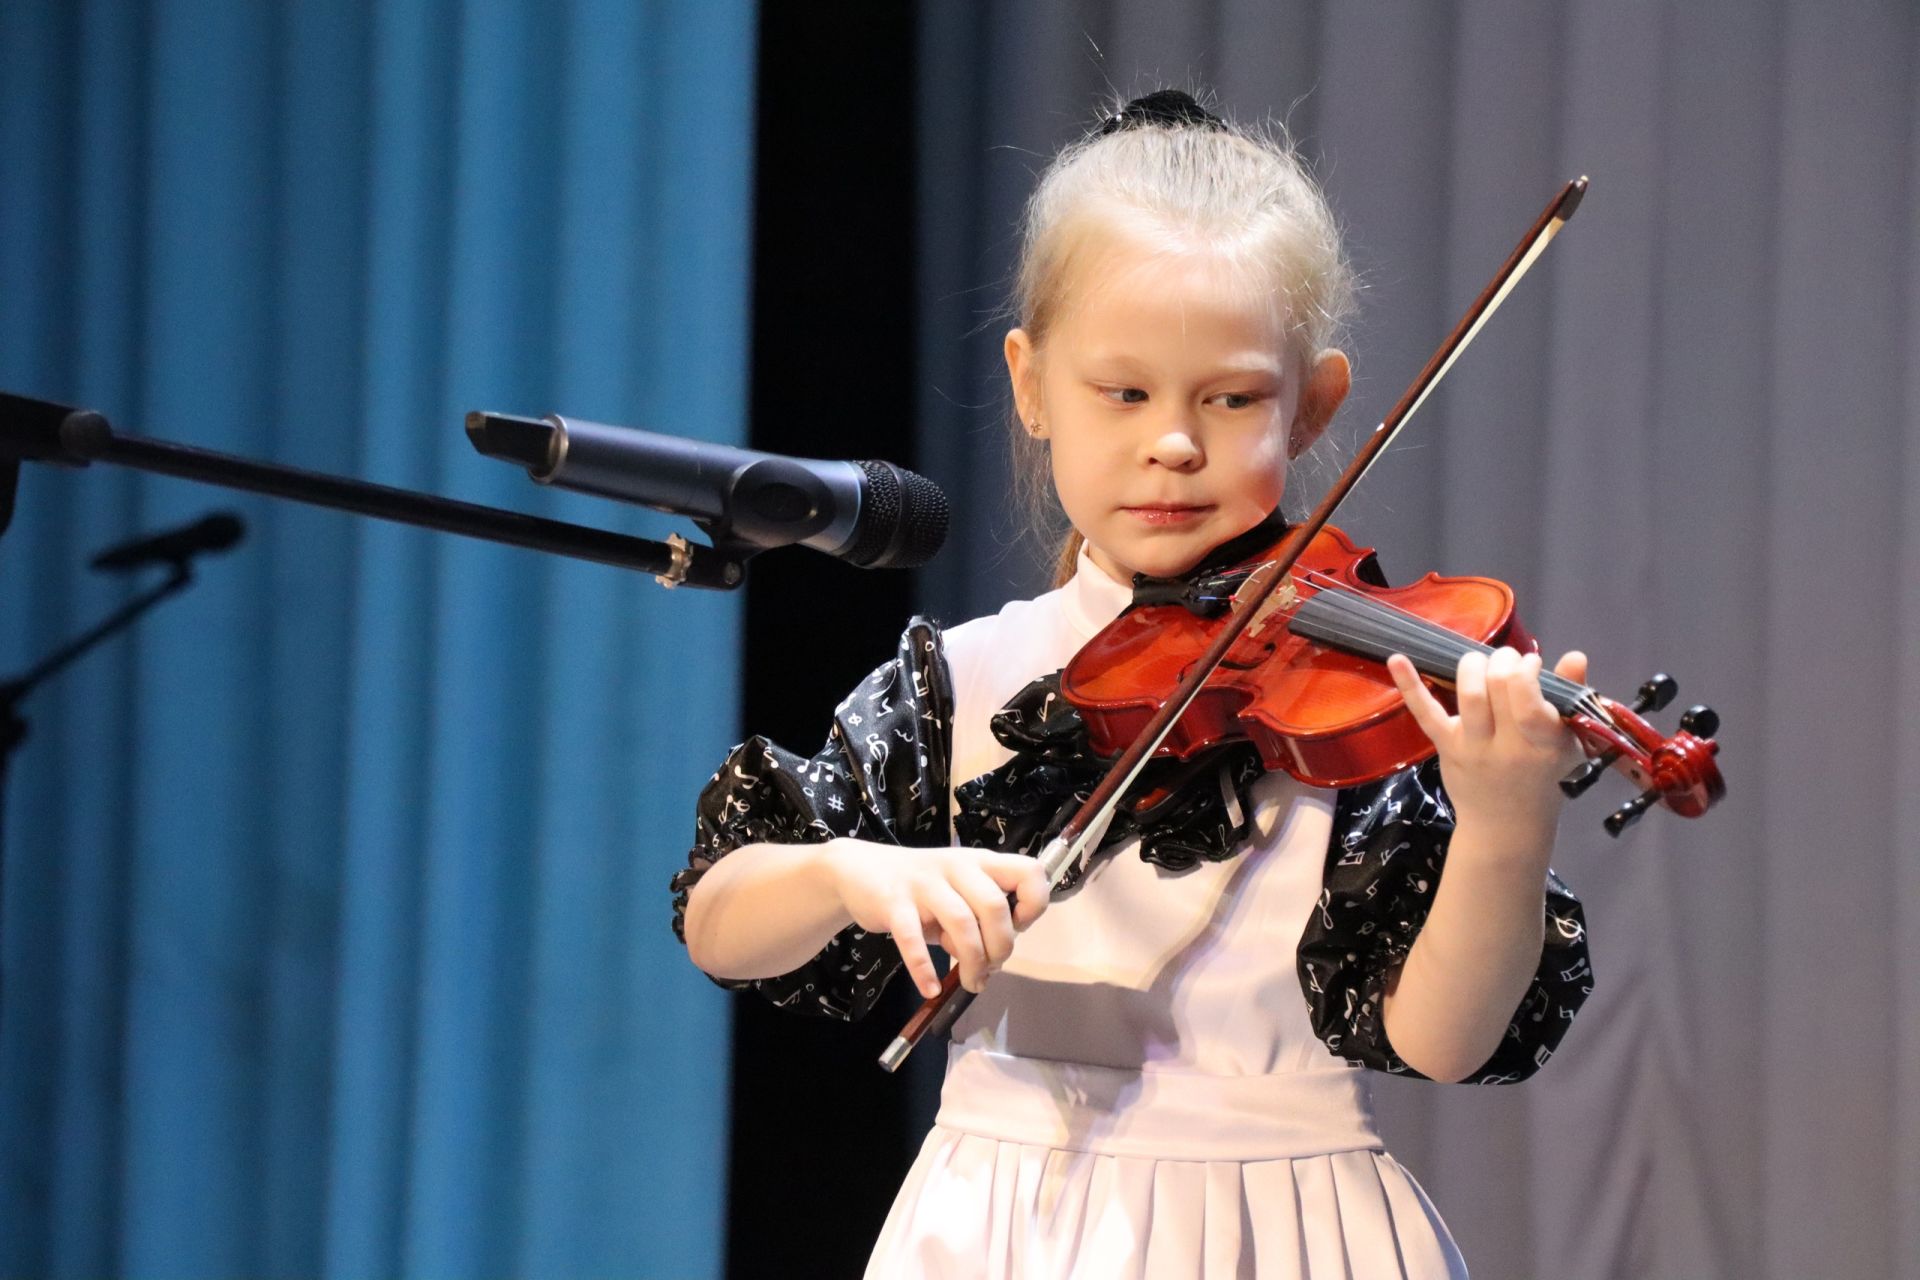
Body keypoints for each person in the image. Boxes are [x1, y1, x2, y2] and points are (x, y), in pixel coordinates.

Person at [672, 90, 1593, 1279]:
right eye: (1125, 393)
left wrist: (1508, 824)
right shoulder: (966, 679)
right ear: (1032, 384)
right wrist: (854, 868)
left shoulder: (1359, 695)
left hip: (1296, 1231)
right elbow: (720, 922)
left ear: (1314, 401)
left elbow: (1447, 1042)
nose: (1174, 443)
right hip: (1005, 1228)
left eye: (1232, 398)